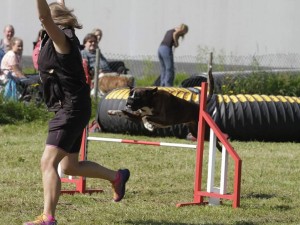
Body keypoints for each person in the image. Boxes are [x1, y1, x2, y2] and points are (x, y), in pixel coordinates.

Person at [24, 1, 130, 225]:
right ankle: (117, 177)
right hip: (74, 106)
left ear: (56, 20)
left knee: (48, 163)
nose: (41, 21)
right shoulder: (59, 36)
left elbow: (44, 17)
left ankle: (48, 218)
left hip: (71, 108)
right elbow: (53, 11)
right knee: (69, 166)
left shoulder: (61, 39)